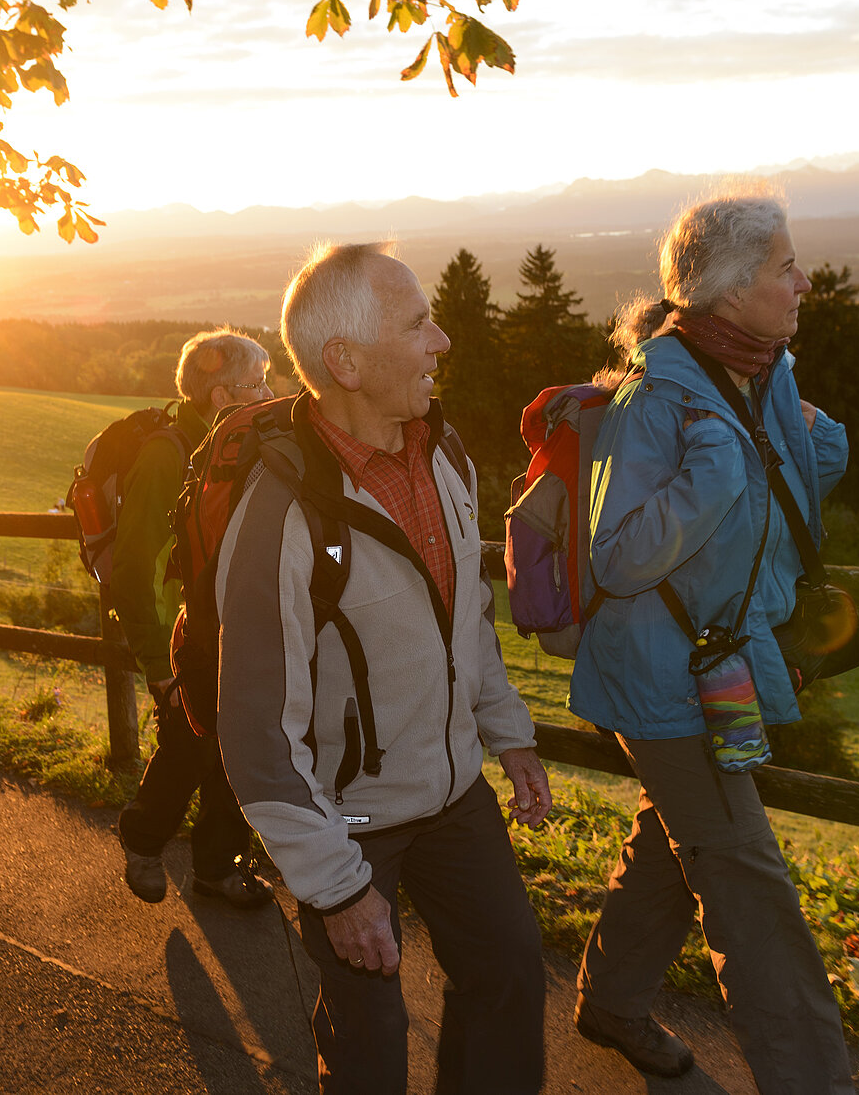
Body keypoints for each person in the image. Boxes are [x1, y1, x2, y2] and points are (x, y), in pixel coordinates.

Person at [217, 242, 553, 1095]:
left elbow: (465, 619)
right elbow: (256, 733)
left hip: (451, 798)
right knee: (371, 1042)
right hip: (348, 819)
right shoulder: (276, 518)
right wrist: (335, 890)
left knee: (511, 977)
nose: (441, 341)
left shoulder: (445, 459)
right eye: (418, 325)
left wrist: (509, 737)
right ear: (347, 362)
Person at [570, 187, 856, 1089]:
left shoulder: (761, 368)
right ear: (731, 289)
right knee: (745, 878)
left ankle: (611, 1000)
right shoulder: (656, 397)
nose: (803, 281)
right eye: (785, 268)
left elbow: (776, 501)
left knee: (678, 832)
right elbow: (616, 556)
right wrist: (717, 471)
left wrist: (817, 443)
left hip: (723, 658)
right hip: (661, 675)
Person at [117, 329, 277, 907]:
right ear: (221, 395)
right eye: (257, 383)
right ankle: (142, 839)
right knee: (189, 747)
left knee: (236, 746)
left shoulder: (246, 447)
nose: (267, 392)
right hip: (184, 634)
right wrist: (158, 662)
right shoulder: (169, 454)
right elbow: (134, 566)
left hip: (231, 627)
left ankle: (216, 866)